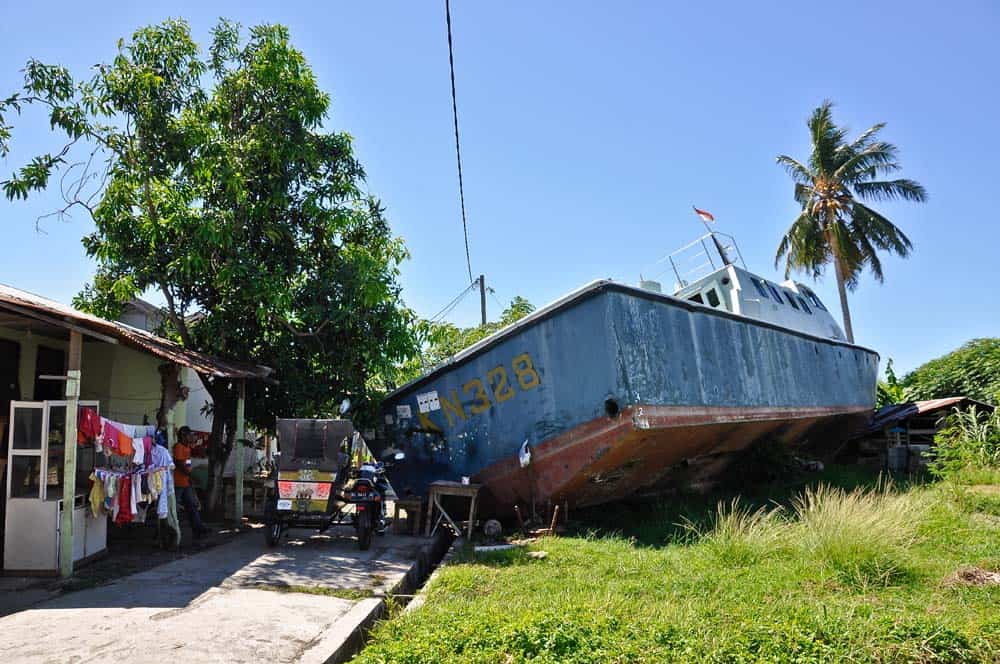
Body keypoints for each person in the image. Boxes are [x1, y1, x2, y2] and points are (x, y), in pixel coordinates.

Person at [174, 426, 209, 539]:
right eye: (189, 434)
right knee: (173, 508)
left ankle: (198, 528)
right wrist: (191, 475)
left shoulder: (187, 448)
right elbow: (179, 464)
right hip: (177, 483)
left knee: (192, 506)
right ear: (184, 435)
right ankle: (171, 530)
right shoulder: (178, 447)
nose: (191, 437)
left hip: (185, 483)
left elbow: (187, 465)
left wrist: (190, 478)